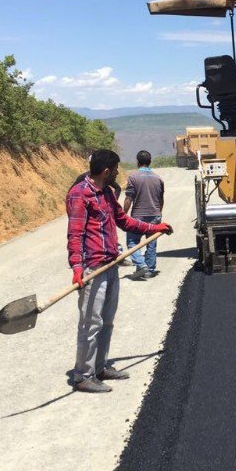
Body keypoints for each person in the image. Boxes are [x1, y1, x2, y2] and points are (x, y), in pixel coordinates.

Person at [67, 148, 172, 393]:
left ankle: (100, 367)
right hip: (92, 267)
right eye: (115, 169)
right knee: (90, 324)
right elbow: (75, 234)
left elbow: (124, 221)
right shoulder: (79, 195)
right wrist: (77, 267)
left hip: (111, 263)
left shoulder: (106, 193)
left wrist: (154, 227)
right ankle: (83, 375)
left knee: (107, 321)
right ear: (106, 171)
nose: (117, 173)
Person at [123, 150, 165, 280]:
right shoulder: (158, 178)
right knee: (151, 243)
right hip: (155, 215)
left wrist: (123, 214)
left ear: (137, 162)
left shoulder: (133, 178)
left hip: (138, 217)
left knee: (132, 242)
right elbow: (161, 199)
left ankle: (141, 265)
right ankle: (150, 270)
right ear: (150, 162)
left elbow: (129, 198)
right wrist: (158, 212)